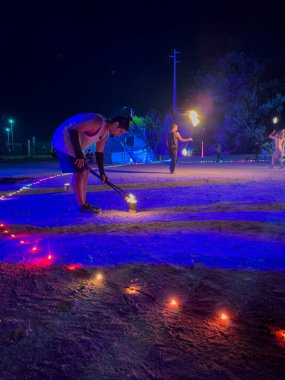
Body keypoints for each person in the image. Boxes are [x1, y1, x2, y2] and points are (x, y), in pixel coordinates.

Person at [52, 113, 132, 213]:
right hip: (63, 138)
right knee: (80, 171)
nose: (120, 134)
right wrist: (79, 155)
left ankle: (83, 202)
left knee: (85, 172)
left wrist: (102, 173)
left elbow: (99, 153)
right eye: (120, 131)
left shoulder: (105, 134)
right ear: (116, 124)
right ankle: (82, 205)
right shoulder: (97, 121)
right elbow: (73, 131)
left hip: (75, 145)